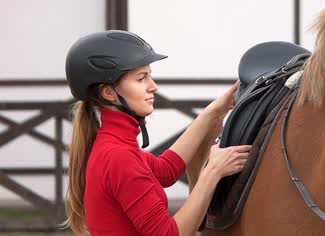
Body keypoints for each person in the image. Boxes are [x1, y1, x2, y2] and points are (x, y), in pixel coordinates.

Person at [64, 30, 250, 235]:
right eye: (141, 79)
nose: (153, 87)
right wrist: (213, 171)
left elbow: (166, 170)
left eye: (149, 76)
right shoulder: (119, 157)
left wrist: (214, 111)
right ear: (109, 93)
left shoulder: (114, 145)